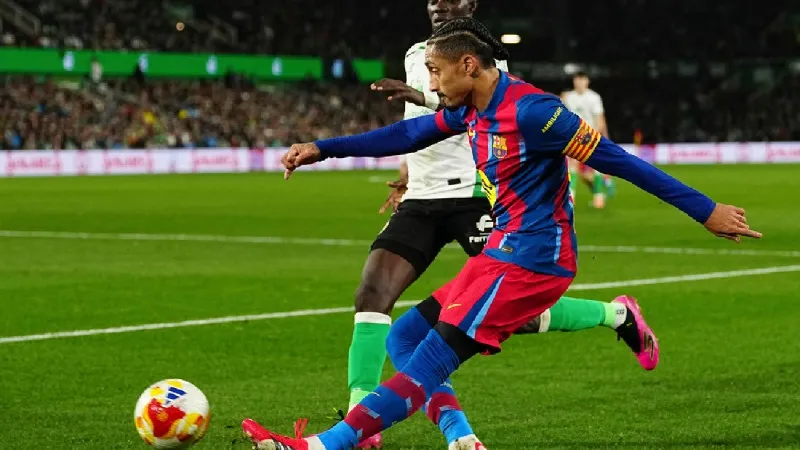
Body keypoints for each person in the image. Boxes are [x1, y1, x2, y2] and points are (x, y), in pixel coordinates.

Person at [243, 17, 760, 450]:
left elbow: (618, 161)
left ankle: (321, 446)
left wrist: (706, 210)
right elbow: (409, 132)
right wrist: (324, 148)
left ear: (469, 65)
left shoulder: (536, 113)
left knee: (431, 358)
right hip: (500, 253)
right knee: (404, 337)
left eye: (436, 71)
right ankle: (462, 437)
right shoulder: (470, 109)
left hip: (535, 261)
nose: (432, 85)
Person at [346, 2, 656, 448]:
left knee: (512, 314)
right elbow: (416, 129)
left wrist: (423, 98)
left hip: (474, 192)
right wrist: (409, 172)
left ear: (469, 7)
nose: (440, 4)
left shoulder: (483, 55)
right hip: (422, 197)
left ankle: (616, 314)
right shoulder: (417, 53)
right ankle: (368, 416)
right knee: (372, 294)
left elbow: (469, 113)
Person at [561, 71, 614, 208]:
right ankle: (572, 197)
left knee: (593, 166)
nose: (579, 82)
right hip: (573, 135)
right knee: (573, 166)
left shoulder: (594, 97)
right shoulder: (568, 97)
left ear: (587, 81)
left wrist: (597, 135)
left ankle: (598, 197)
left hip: (590, 135)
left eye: (582, 79)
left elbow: (599, 119)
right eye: (577, 79)